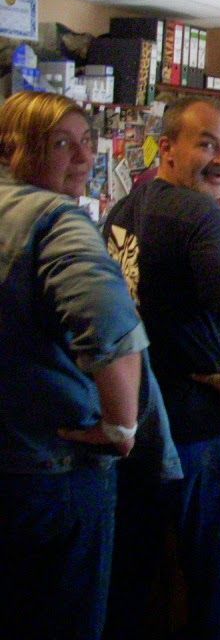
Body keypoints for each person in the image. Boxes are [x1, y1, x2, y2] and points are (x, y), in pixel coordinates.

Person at [103, 97, 220, 640]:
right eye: (207, 144)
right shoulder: (201, 215)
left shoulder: (124, 211)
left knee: (132, 584)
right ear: (166, 148)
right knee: (217, 582)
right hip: (199, 432)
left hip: (137, 429)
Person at [0, 92, 145, 640]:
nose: (84, 158)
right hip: (53, 470)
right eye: (62, 144)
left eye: (87, 142)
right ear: (13, 149)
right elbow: (111, 325)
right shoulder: (55, 218)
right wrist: (120, 426)